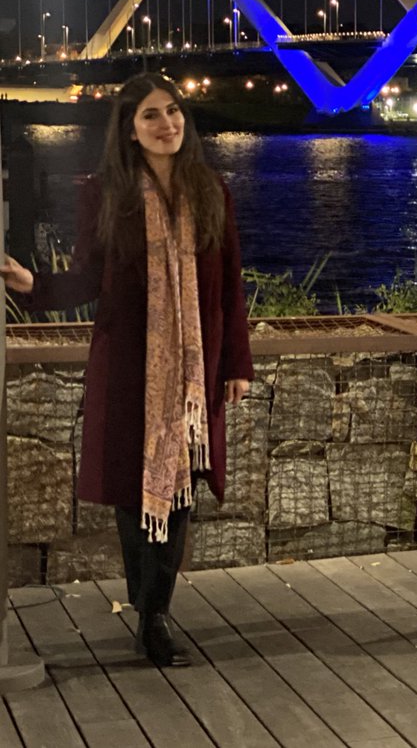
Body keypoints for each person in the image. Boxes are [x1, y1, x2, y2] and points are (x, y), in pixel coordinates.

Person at [1, 73, 253, 669]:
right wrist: (33, 284)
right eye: (150, 116)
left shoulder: (212, 189)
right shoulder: (108, 194)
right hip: (128, 365)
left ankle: (153, 613)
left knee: (181, 487)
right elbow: (90, 278)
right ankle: (148, 606)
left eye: (173, 112)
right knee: (130, 490)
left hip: (193, 377)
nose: (167, 124)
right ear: (129, 130)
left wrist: (236, 362)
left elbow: (230, 288)